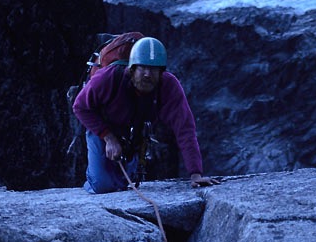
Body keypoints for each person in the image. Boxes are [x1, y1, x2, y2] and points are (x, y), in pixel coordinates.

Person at [72, 36, 220, 193]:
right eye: (143, 68)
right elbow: (80, 107)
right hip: (101, 125)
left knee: (122, 184)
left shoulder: (168, 86)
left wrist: (195, 173)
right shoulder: (108, 78)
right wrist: (108, 137)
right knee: (102, 185)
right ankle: (92, 180)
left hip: (133, 131)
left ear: (162, 72)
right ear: (132, 69)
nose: (148, 74)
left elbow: (185, 129)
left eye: (154, 69)